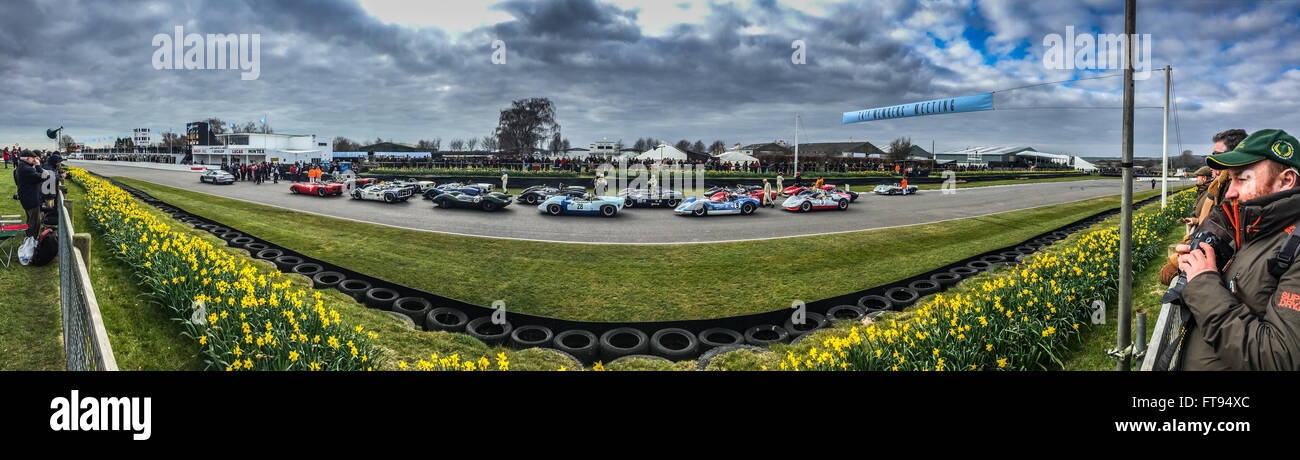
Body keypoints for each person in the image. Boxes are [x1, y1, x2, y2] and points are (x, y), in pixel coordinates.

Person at [1175, 129, 1300, 370]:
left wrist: (1203, 283)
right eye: (1231, 179)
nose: (1230, 192)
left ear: (1286, 181)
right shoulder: (1258, 229)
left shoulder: (1291, 244)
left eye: (1242, 179)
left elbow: (1278, 358)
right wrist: (1197, 266)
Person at [14, 151, 48, 239]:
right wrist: (38, 165)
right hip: (31, 199)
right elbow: (45, 176)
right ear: (28, 158)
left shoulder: (22, 166)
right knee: (34, 222)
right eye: (33, 158)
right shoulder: (27, 169)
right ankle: (32, 240)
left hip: (27, 197)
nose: (34, 160)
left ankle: (29, 237)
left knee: (30, 219)